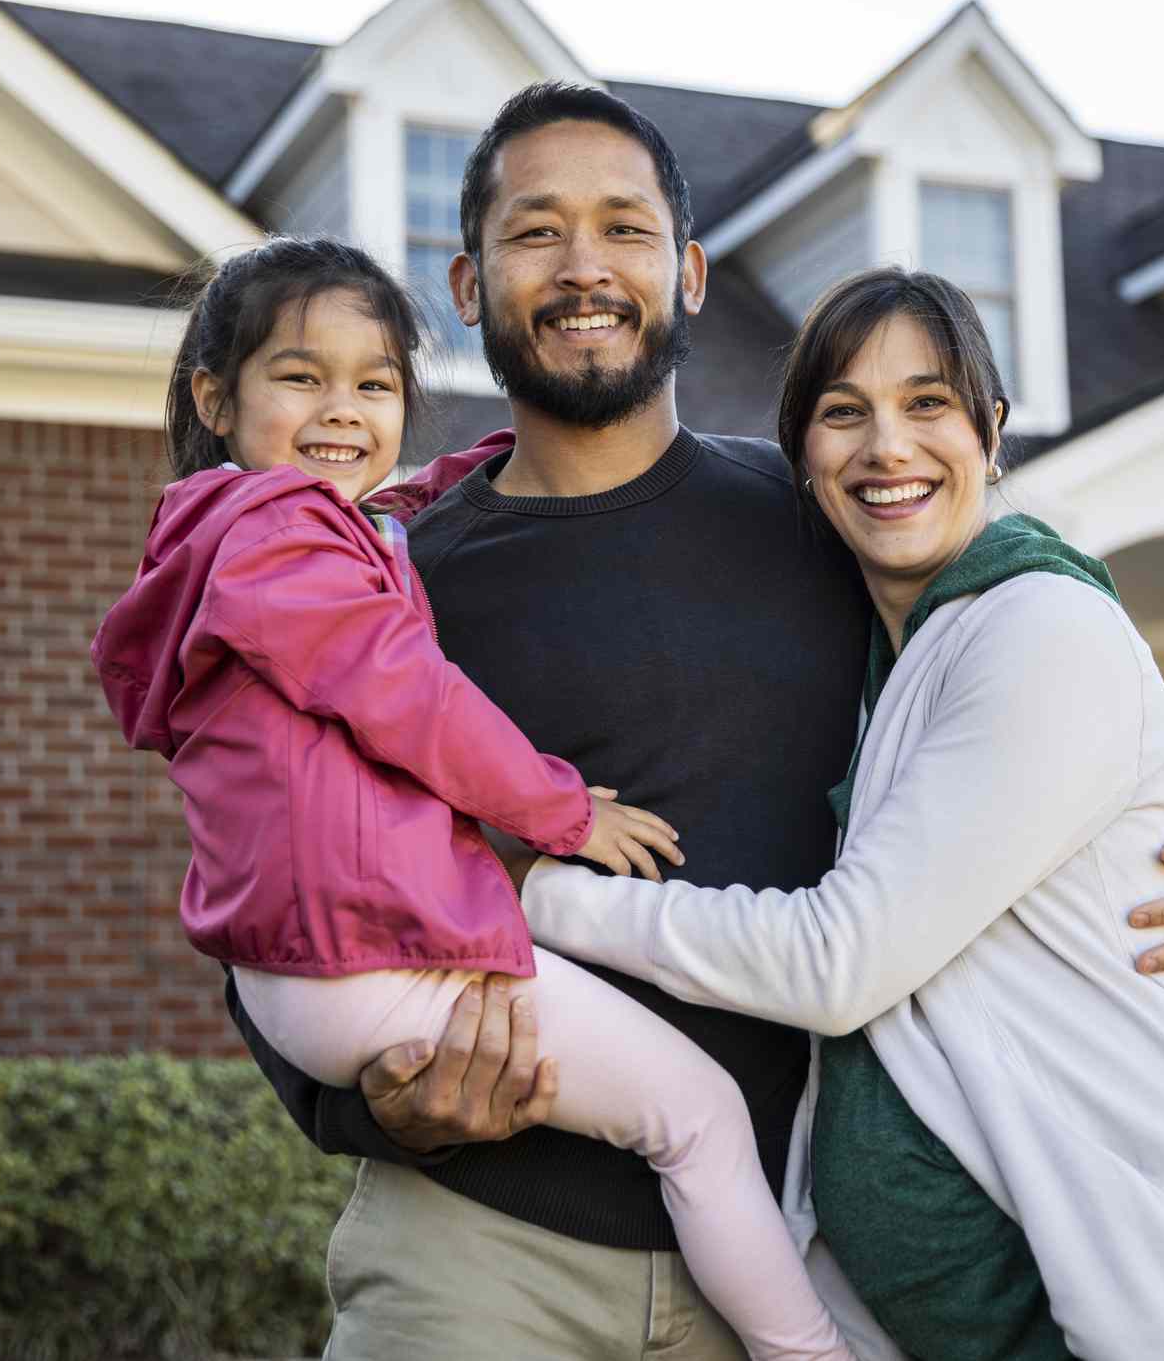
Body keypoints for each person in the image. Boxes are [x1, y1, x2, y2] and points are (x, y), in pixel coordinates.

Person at [225, 84, 1164, 1360]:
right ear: (467, 283)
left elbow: (1039, 679)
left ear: (692, 271)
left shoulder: (827, 507)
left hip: (789, 1258)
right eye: (537, 232)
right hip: (479, 1247)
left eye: (626, 228)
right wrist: (381, 1112)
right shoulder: (390, 580)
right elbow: (260, 871)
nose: (585, 266)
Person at [505, 267, 1164, 1358]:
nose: (888, 447)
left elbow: (842, 961)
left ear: (992, 428)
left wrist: (536, 896)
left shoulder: (1042, 625)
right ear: (803, 457)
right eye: (844, 412)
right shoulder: (884, 642)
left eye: (928, 403)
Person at [92, 235, 851, 1360]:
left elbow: (977, 666)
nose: (340, 407)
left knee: (692, 1124)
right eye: (301, 376)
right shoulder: (285, 546)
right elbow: (409, 694)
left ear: (688, 266)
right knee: (698, 1120)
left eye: (375, 382)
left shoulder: (267, 541)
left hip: (316, 967)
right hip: (389, 999)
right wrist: (564, 810)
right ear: (216, 395)